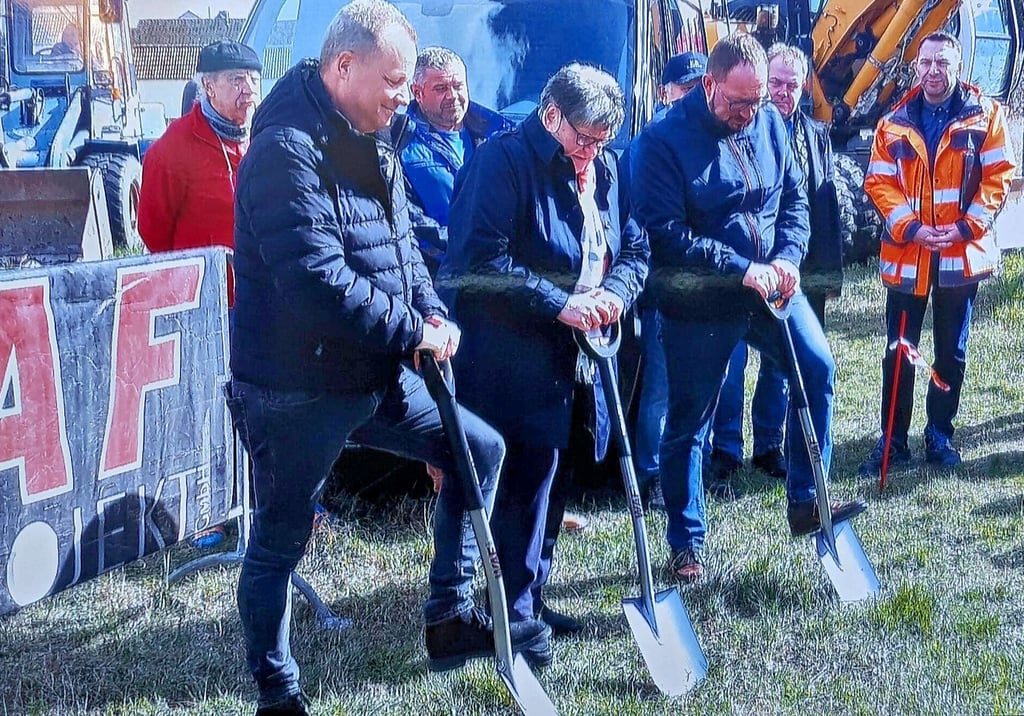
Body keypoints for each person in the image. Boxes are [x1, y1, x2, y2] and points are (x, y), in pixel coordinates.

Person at [227, 2, 513, 712]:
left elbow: (402, 245)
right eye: (392, 80)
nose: (400, 95)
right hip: (295, 385)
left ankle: (449, 615)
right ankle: (277, 686)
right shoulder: (283, 150)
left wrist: (431, 309)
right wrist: (412, 331)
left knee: (478, 450)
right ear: (343, 66)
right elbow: (315, 282)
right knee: (280, 539)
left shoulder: (378, 134)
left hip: (376, 371)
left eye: (408, 80)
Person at [630, 34, 865, 583]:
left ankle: (808, 500)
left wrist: (786, 256)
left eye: (757, 101)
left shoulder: (769, 122)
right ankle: (687, 543)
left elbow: (793, 198)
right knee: (690, 422)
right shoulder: (662, 142)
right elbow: (665, 236)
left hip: (772, 287)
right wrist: (742, 269)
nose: (750, 113)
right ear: (709, 85)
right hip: (700, 302)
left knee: (817, 368)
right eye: (738, 103)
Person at [441, 64, 648, 658]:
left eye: (600, 143)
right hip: (509, 351)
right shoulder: (501, 161)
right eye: (582, 139)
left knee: (554, 472)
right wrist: (561, 305)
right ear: (551, 115)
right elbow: (480, 260)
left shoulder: (605, 166)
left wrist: (616, 292)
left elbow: (634, 246)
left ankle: (531, 592)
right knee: (519, 480)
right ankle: (502, 612)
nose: (590, 154)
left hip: (582, 351)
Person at [857, 31, 1016, 477]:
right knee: (899, 349)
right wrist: (913, 227)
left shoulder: (986, 117)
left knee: (952, 352)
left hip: (959, 255)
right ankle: (893, 440)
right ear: (916, 67)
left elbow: (999, 175)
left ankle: (939, 434)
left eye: (942, 63)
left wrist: (965, 226)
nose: (933, 71)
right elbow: (880, 182)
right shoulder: (894, 122)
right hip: (910, 254)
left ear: (958, 65)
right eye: (926, 63)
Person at [138, 39, 262, 549]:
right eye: (235, 79)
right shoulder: (171, 150)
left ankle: (268, 500)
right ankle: (206, 513)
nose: (247, 89)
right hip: (205, 309)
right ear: (207, 86)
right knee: (205, 408)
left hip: (265, 304)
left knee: (265, 406)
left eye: (252, 78)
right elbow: (153, 232)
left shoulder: (265, 140)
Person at [706, 42, 844, 484]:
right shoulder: (738, 130)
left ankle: (772, 447)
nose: (784, 92)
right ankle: (726, 450)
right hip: (736, 273)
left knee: (790, 368)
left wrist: (819, 270)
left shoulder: (814, 134)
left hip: (792, 268)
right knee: (730, 366)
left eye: (791, 85)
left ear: (804, 88)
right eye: (776, 84)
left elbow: (820, 207)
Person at [631, 51, 707, 504]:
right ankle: (652, 474)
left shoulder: (703, 135)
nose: (694, 94)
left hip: (704, 283)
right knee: (661, 386)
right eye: (686, 87)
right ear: (666, 92)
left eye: (701, 86)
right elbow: (639, 216)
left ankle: (690, 470)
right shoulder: (652, 141)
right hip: (667, 281)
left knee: (695, 386)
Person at [395, 46, 512, 274]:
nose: (452, 96)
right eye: (440, 89)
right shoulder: (399, 143)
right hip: (438, 276)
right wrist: (464, 246)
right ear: (417, 93)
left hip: (502, 272)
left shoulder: (500, 134)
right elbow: (407, 218)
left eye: (458, 86)